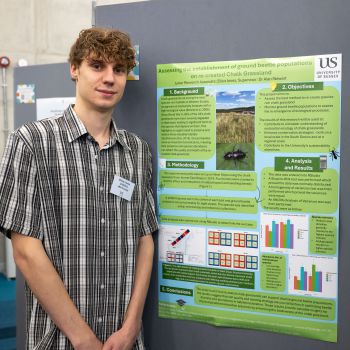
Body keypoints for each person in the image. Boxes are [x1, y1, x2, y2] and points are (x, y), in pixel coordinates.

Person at [0, 27, 158, 350]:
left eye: (119, 69)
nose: (109, 78)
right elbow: (25, 251)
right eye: (97, 66)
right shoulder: (31, 142)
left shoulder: (138, 152)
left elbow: (145, 240)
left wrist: (131, 327)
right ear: (74, 69)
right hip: (58, 341)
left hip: (124, 342)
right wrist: (82, 338)